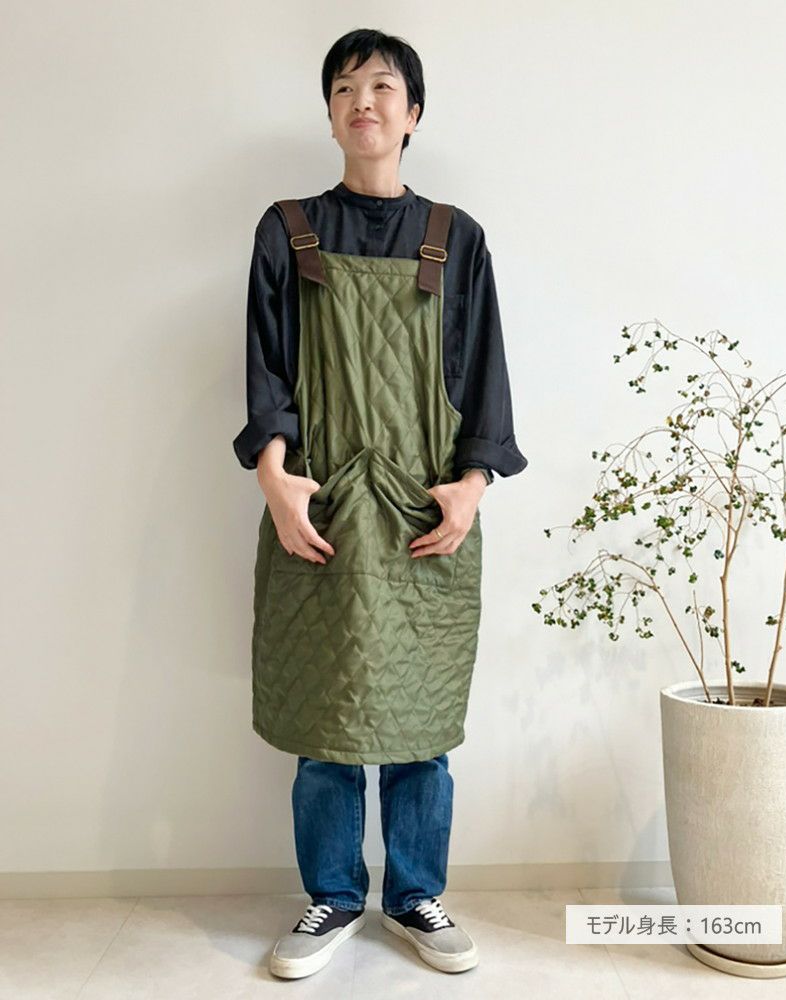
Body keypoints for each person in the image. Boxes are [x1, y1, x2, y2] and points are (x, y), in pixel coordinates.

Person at [233, 28, 528, 980]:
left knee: (418, 726)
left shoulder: (456, 237)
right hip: (316, 506)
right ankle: (330, 896)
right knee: (326, 724)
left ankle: (414, 896)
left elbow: (484, 377)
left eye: (384, 86)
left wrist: (470, 488)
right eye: (346, 88)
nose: (364, 101)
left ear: (412, 114)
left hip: (421, 514)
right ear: (329, 115)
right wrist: (275, 479)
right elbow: (266, 366)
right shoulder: (287, 230)